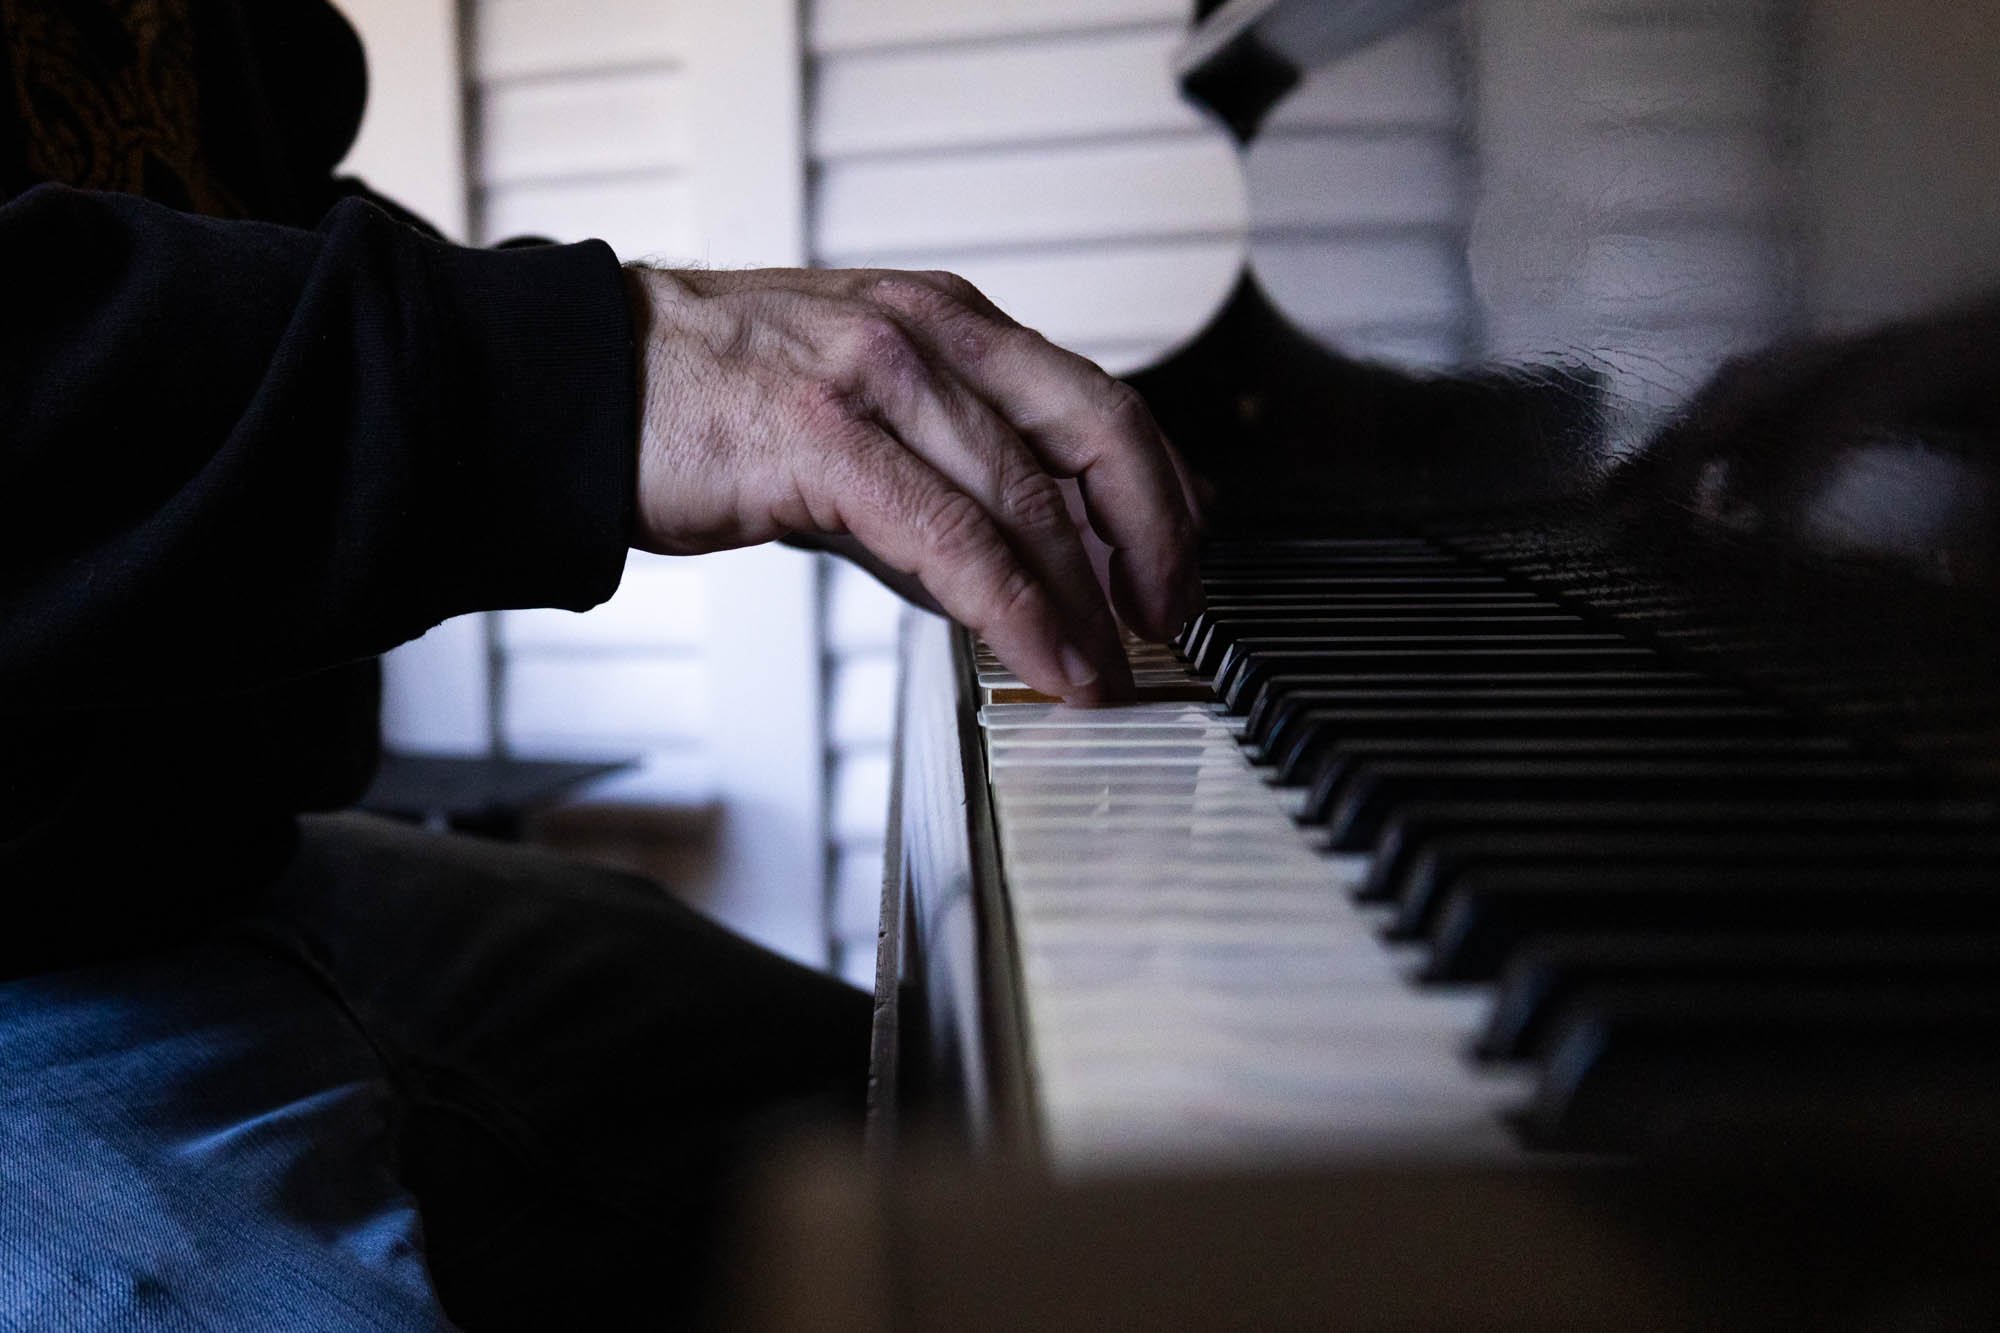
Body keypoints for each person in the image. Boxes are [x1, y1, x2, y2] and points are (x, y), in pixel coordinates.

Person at [0, 1, 1202, 1328]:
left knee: (947, 1143)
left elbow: (226, 221)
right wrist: (578, 374)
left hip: (200, 854)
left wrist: (767, 402)